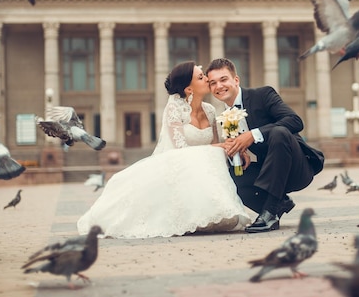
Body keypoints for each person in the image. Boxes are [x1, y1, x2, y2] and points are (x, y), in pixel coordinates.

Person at [77, 61, 251, 238]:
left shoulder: (211, 110)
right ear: (189, 89)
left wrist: (232, 146)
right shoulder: (174, 108)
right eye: (201, 77)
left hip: (207, 172)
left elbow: (216, 148)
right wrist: (219, 147)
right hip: (179, 168)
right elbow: (180, 149)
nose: (207, 79)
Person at [206, 58, 325, 233]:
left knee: (279, 132)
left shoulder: (262, 94)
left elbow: (295, 121)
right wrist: (238, 152)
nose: (218, 86)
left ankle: (269, 213)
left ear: (236, 80)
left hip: (296, 168)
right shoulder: (226, 117)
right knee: (229, 177)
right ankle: (279, 203)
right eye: (213, 83)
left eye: (223, 79)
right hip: (270, 172)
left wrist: (253, 135)